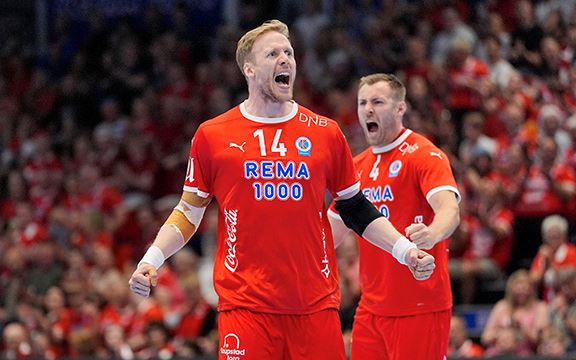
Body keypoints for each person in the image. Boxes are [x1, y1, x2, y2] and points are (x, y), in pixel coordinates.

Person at [128, 20, 435, 360]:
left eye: (288, 52)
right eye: (272, 53)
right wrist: (151, 260)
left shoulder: (326, 133)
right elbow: (188, 212)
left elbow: (357, 209)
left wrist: (406, 251)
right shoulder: (212, 135)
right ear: (249, 69)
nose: (285, 59)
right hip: (245, 308)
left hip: (314, 307)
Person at [328, 73, 461, 359]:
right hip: (371, 308)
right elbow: (330, 234)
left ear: (400, 108)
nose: (367, 109)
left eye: (377, 101)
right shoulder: (355, 167)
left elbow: (449, 209)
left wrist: (433, 233)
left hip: (419, 307)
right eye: (363, 103)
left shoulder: (423, 154)